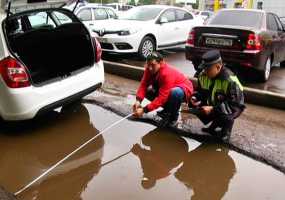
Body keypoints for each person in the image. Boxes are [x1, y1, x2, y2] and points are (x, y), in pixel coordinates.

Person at [189, 49, 245, 140]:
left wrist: (212, 109)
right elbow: (201, 92)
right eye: (204, 68)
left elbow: (235, 106)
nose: (204, 71)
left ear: (218, 67)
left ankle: (225, 132)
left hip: (233, 106)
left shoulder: (230, 81)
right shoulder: (203, 76)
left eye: (208, 69)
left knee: (226, 114)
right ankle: (212, 127)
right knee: (193, 107)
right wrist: (195, 97)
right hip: (214, 102)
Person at [132, 51, 194, 127]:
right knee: (148, 91)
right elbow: (143, 85)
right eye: (148, 65)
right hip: (167, 89)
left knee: (175, 93)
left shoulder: (167, 73)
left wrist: (144, 110)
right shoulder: (148, 69)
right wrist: (138, 101)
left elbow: (162, 98)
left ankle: (173, 117)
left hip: (184, 89)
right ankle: (166, 111)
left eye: (153, 65)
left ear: (161, 63)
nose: (150, 68)